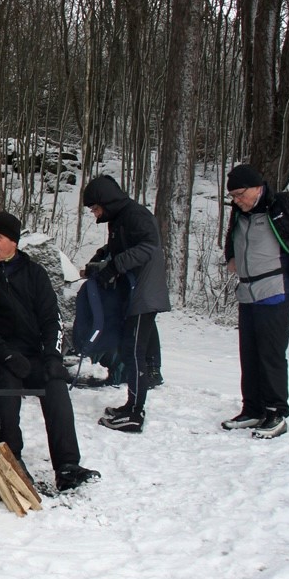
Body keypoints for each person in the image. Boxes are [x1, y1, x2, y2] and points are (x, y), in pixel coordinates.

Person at [0, 212, 100, 491]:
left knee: (55, 382)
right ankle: (12, 457)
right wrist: (6, 355)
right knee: (8, 382)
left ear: (13, 242)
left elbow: (51, 318)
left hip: (29, 352)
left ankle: (67, 466)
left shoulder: (34, 273)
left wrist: (52, 356)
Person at [221, 164, 289, 439]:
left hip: (277, 289)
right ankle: (253, 409)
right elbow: (233, 239)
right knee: (249, 354)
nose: (236, 200)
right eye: (232, 196)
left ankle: (276, 413)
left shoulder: (284, 203)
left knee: (270, 354)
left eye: (239, 194)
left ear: (257, 187)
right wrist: (230, 257)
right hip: (247, 292)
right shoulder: (240, 212)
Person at [82, 175, 171, 433]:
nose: (95, 213)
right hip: (133, 293)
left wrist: (114, 266)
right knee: (129, 348)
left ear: (106, 202)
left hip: (144, 294)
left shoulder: (136, 215)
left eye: (95, 208)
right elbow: (118, 248)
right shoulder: (121, 219)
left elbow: (148, 247)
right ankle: (131, 404)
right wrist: (101, 259)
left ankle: (135, 411)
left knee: (134, 351)